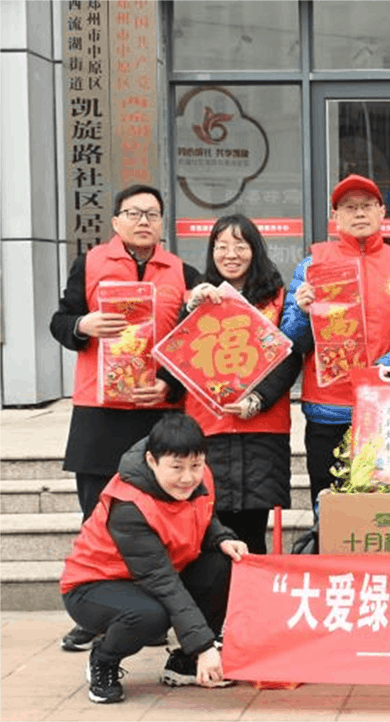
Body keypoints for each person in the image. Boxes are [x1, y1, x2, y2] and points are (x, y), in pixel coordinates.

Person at [49, 183, 201, 652]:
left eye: (152, 214)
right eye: (133, 213)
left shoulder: (182, 272)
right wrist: (84, 324)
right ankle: (95, 613)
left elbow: (194, 341)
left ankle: (151, 614)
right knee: (97, 515)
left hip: (157, 415)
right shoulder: (90, 264)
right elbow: (60, 321)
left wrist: (169, 384)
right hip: (99, 413)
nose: (143, 221)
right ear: (116, 221)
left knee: (160, 518)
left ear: (162, 223)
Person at [60, 413, 248, 704]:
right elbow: (161, 581)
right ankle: (103, 660)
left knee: (220, 564)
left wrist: (221, 537)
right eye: (176, 467)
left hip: (154, 573)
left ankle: (185, 663)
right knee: (151, 616)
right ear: (151, 460)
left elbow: (203, 513)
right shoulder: (130, 505)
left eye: (196, 465)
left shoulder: (200, 476)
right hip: (93, 586)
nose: (188, 477)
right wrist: (205, 646)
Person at [281, 174, 390, 504]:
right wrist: (302, 312)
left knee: (386, 505)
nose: (359, 213)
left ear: (382, 211)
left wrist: (382, 369)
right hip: (328, 407)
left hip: (388, 407)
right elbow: (291, 339)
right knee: (328, 504)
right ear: (335, 216)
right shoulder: (312, 266)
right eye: (349, 207)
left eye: (367, 205)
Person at [175, 215, 302, 554]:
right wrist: (189, 309)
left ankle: (251, 589)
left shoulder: (277, 299)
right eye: (221, 246)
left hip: (262, 427)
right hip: (211, 427)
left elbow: (290, 357)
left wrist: (258, 398)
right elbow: (178, 354)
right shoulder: (199, 297)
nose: (230, 254)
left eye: (240, 246)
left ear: (255, 250)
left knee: (253, 531)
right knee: (212, 528)